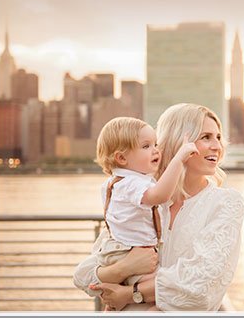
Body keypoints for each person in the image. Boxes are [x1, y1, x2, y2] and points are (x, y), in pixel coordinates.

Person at [73, 103, 244, 311]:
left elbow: (197, 285)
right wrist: (127, 267)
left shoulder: (226, 203)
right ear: (177, 141)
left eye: (218, 137)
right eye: (206, 137)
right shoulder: (141, 200)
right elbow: (84, 275)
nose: (217, 146)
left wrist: (129, 294)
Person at [84, 117, 198, 308]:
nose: (156, 150)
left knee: (121, 299)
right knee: (162, 294)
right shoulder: (132, 183)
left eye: (156, 144)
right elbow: (160, 195)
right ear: (122, 158)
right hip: (130, 252)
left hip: (117, 249)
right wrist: (179, 158)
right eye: (146, 146)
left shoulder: (117, 182)